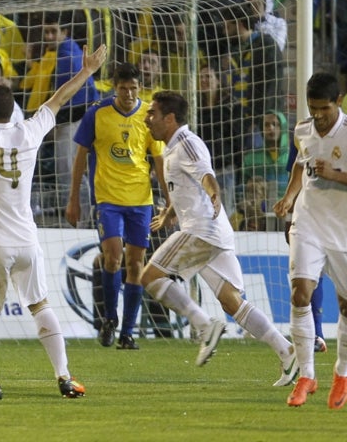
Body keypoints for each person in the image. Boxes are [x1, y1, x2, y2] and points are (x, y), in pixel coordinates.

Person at [0, 45, 104, 401]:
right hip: (27, 242)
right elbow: (57, 99)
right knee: (40, 305)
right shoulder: (30, 131)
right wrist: (86, 71)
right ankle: (65, 377)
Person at [138, 92, 298, 385]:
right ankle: (286, 351)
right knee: (232, 302)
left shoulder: (187, 143)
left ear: (170, 118)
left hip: (201, 231)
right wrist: (171, 212)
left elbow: (205, 175)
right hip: (213, 233)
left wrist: (214, 193)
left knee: (149, 276)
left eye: (152, 113)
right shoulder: (172, 148)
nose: (148, 119)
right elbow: (188, 185)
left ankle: (202, 325)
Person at [65, 62, 165, 350]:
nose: (129, 94)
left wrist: (168, 200)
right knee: (112, 258)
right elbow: (80, 155)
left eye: (134, 88)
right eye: (124, 88)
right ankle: (109, 319)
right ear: (114, 87)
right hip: (107, 199)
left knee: (136, 264)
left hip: (141, 201)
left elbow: (158, 159)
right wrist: (74, 198)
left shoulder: (147, 115)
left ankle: (128, 332)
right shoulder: (98, 113)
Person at [273, 72, 347, 408]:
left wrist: (335, 175)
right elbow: (300, 168)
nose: (317, 115)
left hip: (343, 227)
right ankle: (306, 375)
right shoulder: (302, 129)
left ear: (339, 102)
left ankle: (342, 374)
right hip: (308, 222)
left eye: (324, 109)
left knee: (346, 307)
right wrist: (289, 197)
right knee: (300, 293)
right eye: (312, 107)